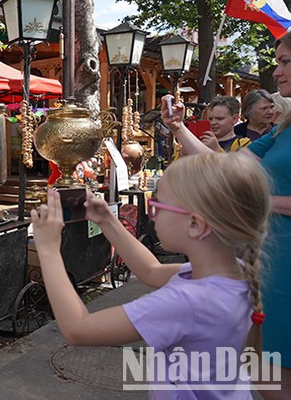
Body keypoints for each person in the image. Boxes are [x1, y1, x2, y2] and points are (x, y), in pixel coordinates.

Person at [32, 153, 270, 397]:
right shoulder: (234, 273)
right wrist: (107, 220)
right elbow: (151, 271)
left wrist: (48, 249)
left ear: (195, 225)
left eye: (158, 205)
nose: (152, 214)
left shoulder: (185, 302)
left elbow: (78, 329)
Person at [160, 30, 291, 398]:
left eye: (285, 62)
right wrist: (178, 128)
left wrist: (261, 202)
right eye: (277, 62)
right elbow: (226, 167)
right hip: (274, 266)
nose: (276, 72)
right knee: (267, 375)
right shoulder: (283, 128)